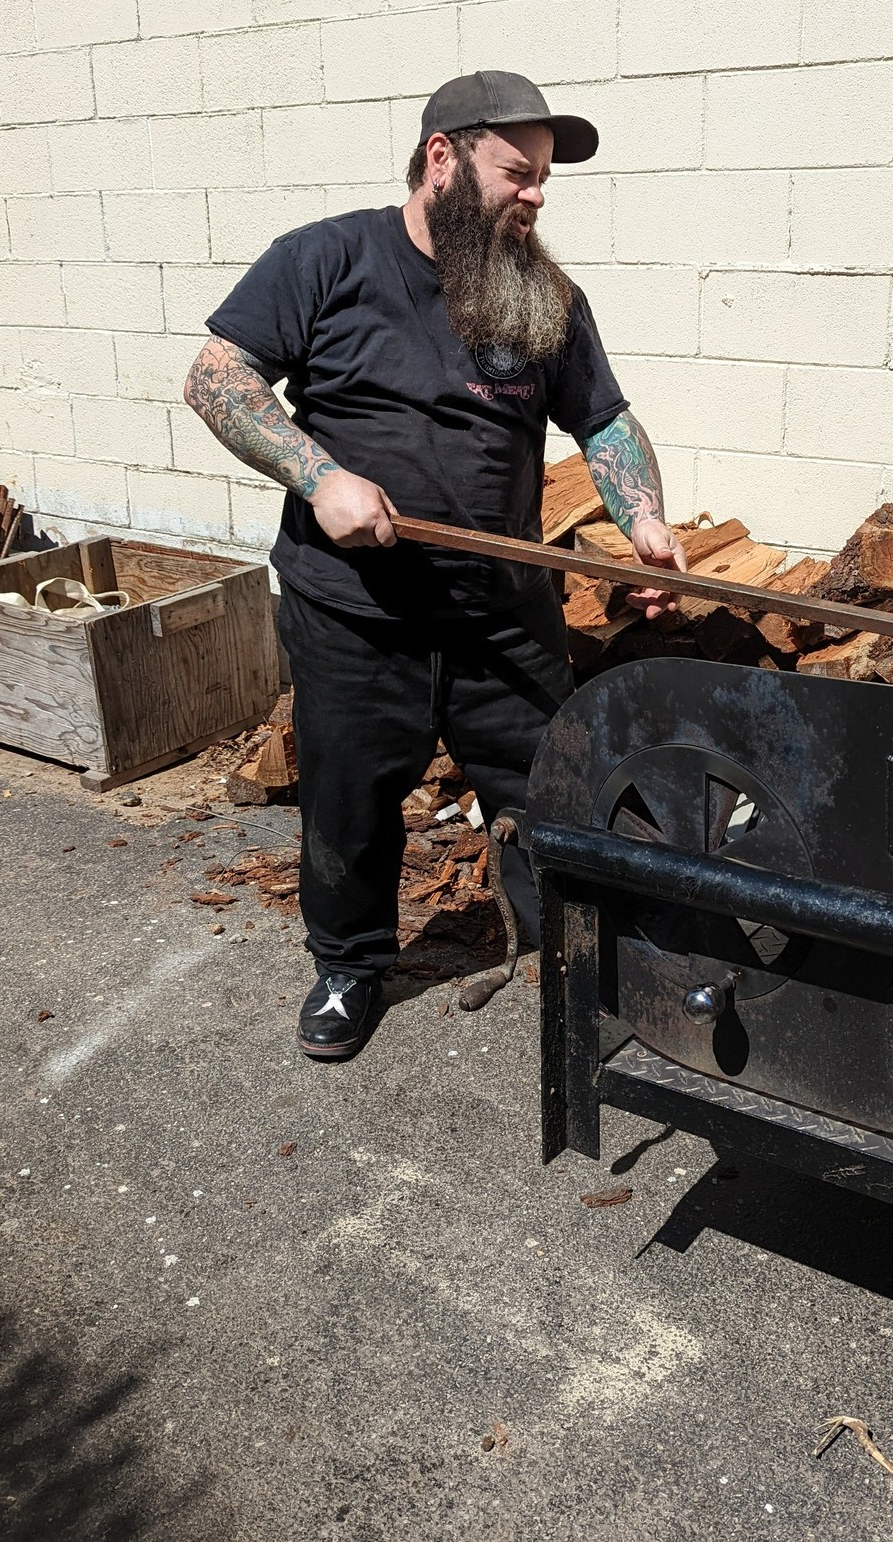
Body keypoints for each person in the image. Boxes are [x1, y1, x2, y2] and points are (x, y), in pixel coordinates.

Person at [185, 70, 685, 1059]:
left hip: (502, 611)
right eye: (518, 173)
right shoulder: (326, 260)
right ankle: (349, 965)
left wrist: (648, 523)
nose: (536, 195)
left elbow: (605, 420)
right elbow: (216, 376)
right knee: (351, 801)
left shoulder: (542, 294)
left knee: (555, 789)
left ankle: (581, 962)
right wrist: (319, 474)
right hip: (356, 613)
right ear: (443, 158)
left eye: (543, 178)